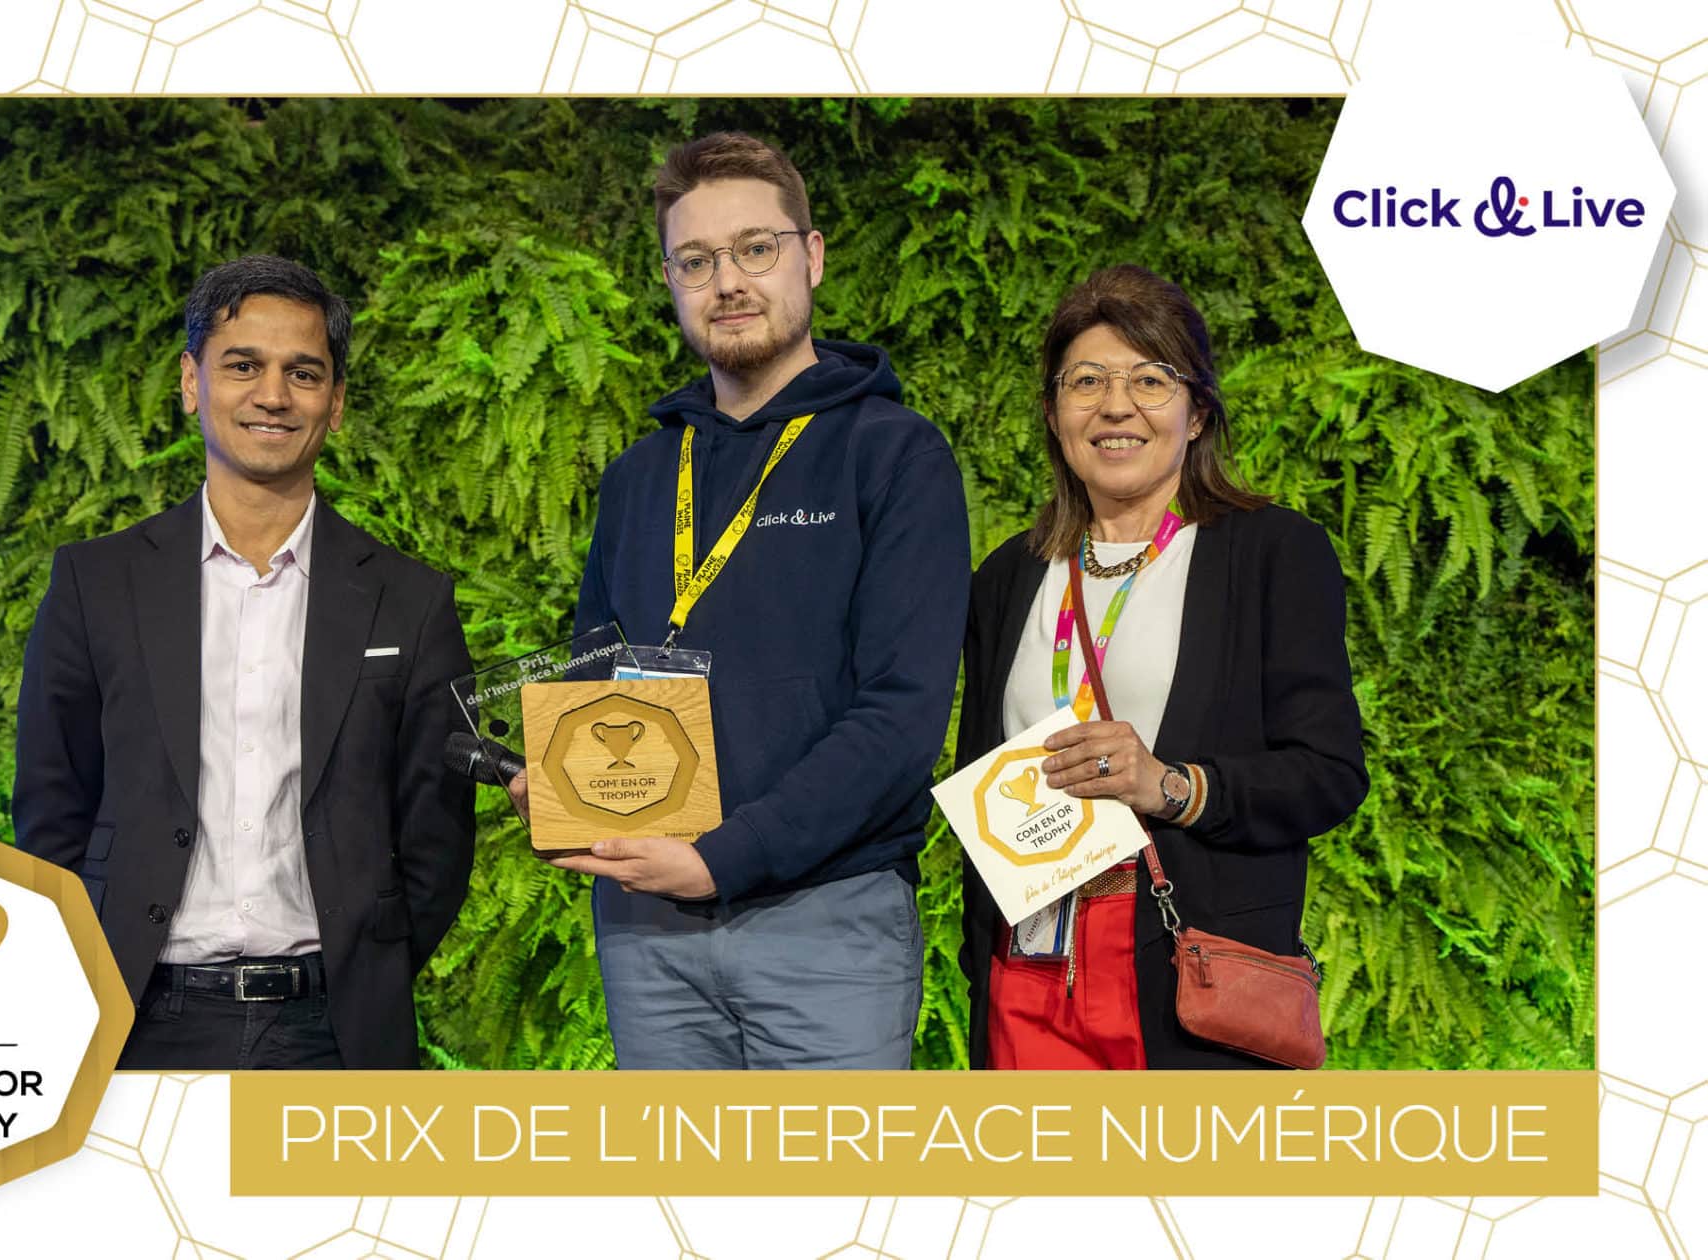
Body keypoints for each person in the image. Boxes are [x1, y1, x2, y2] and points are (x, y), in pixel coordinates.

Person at [516, 131, 970, 1069]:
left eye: (755, 248)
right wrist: (560, 786)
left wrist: (722, 858)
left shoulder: (895, 455)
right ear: (670, 281)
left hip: (826, 927)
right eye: (695, 260)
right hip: (646, 933)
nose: (727, 281)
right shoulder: (639, 477)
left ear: (811, 256)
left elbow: (900, 718)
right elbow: (596, 674)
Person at [13, 254, 474, 1070]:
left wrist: (369, 970)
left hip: (334, 1033)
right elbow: (52, 810)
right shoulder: (96, 583)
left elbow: (436, 835)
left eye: (304, 373)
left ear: (335, 403)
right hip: (134, 1021)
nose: (273, 395)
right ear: (191, 383)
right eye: (242, 366)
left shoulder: (410, 600)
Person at [956, 263, 1367, 1070]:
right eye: (1086, 381)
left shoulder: (1273, 554)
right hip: (1025, 967)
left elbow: (1328, 774)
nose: (1116, 406)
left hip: (1185, 973)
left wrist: (1170, 786)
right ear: (1054, 413)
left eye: (1150, 379)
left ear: (1197, 412)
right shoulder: (1008, 576)